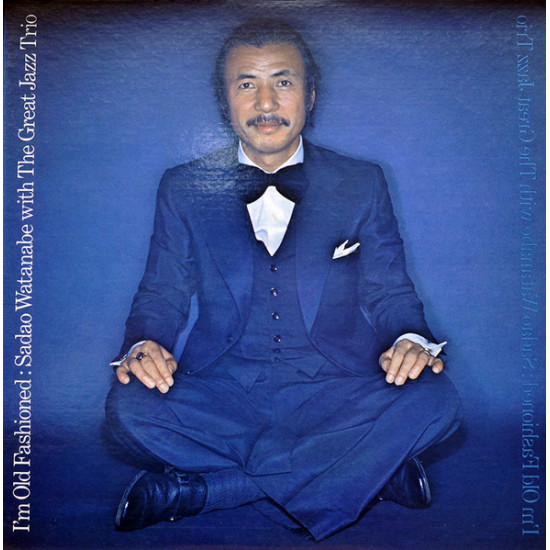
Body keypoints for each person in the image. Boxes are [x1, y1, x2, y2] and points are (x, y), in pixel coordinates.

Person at [105, 17, 462, 542]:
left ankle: (210, 490)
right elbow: (163, 292)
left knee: (437, 399)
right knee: (127, 407)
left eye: (283, 81)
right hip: (224, 390)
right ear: (225, 101)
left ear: (309, 96)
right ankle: (371, 472)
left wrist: (410, 340)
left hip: (339, 388)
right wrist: (144, 345)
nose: (266, 102)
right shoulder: (182, 187)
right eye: (246, 84)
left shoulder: (362, 182)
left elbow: (389, 290)